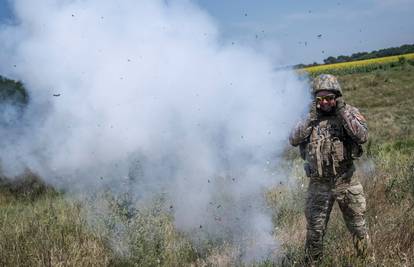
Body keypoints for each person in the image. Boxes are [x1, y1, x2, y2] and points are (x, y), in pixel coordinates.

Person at [289, 74, 370, 264]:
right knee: (315, 232)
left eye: (329, 98)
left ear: (337, 97)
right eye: (320, 99)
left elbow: (362, 135)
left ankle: (366, 262)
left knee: (358, 229)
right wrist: (311, 117)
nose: (325, 102)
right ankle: (314, 263)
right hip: (318, 185)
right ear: (314, 100)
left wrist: (341, 112)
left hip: (346, 181)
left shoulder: (348, 112)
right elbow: (293, 139)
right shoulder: (308, 117)